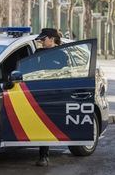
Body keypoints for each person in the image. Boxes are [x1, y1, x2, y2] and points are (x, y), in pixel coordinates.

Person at [34, 28, 62, 167]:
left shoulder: (62, 53)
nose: (41, 42)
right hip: (38, 91)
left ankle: (44, 156)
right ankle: (43, 155)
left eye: (43, 39)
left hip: (56, 93)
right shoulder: (38, 52)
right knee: (41, 123)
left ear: (51, 39)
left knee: (50, 123)